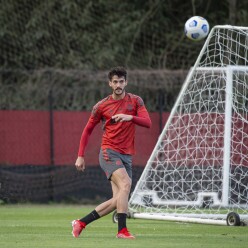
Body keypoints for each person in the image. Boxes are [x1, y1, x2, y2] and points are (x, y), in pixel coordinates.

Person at [72, 66, 152, 239]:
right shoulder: (101, 106)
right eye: (115, 81)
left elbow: (147, 123)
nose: (118, 84)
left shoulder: (136, 101)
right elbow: (87, 130)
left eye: (121, 81)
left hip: (126, 155)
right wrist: (80, 155)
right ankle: (122, 231)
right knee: (126, 185)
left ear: (126, 82)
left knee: (119, 200)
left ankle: (81, 223)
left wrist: (130, 117)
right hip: (109, 152)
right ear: (110, 83)